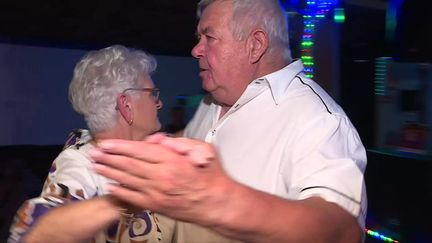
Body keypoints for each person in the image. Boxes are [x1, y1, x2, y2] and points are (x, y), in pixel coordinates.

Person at [72, 0, 367, 242]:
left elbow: (343, 230)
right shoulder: (210, 103)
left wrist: (225, 203)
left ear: (255, 45)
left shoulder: (318, 121)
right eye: (198, 38)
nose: (196, 49)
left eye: (209, 37)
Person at [8, 45, 175, 243]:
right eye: (152, 93)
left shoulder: (147, 149)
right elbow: (34, 233)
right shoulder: (81, 162)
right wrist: (134, 197)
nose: (159, 103)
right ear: (126, 104)